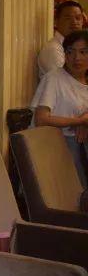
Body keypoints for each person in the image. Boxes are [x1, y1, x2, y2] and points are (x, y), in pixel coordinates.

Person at [32, 29, 88, 187]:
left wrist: (85, 119)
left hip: (79, 147)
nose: (77, 58)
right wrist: (79, 121)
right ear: (65, 55)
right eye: (70, 52)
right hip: (54, 147)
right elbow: (41, 119)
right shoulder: (54, 78)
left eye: (83, 52)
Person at [37, 0, 84, 79]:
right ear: (56, 21)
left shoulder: (79, 48)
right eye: (68, 18)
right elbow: (67, 80)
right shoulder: (53, 49)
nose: (74, 22)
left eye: (78, 18)